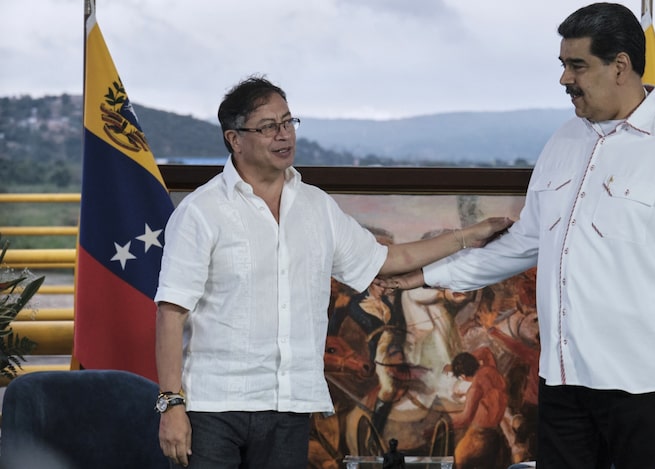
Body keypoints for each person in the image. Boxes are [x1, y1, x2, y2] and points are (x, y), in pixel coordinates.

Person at [385, 2, 655, 469]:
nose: (565, 79)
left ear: (621, 66)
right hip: (564, 383)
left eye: (577, 65)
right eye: (563, 65)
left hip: (650, 390)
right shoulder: (562, 142)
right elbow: (523, 245)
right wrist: (426, 276)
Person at [153, 75, 511, 469]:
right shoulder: (201, 212)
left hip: (289, 407)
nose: (283, 135)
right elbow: (171, 312)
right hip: (213, 408)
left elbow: (386, 260)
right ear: (234, 139)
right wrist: (171, 403)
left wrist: (467, 236)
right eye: (268, 127)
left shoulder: (316, 207)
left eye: (288, 122)